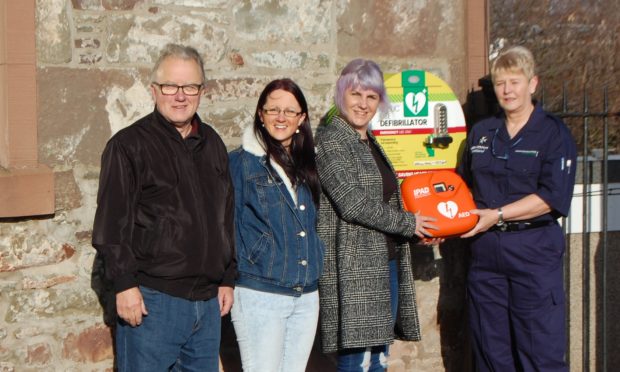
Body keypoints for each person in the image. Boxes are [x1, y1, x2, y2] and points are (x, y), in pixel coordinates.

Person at [92, 43, 236, 372]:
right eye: (170, 86)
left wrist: (228, 276)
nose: (180, 96)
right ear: (154, 90)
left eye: (190, 87)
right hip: (153, 302)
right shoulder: (128, 146)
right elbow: (111, 225)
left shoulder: (212, 143)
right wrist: (125, 285)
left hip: (207, 303)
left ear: (202, 91)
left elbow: (225, 216)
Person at [315, 58, 439, 372]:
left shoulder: (369, 142)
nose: (363, 104)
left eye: (371, 97)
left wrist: (417, 230)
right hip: (353, 269)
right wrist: (409, 223)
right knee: (357, 364)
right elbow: (353, 203)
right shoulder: (331, 141)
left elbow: (388, 202)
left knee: (379, 362)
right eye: (356, 94)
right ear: (341, 93)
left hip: (385, 265)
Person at [458, 46, 577, 371]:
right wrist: (444, 224)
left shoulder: (553, 133)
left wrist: (497, 215)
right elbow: (462, 189)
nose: (507, 90)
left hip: (533, 254)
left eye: (515, 81)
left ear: (532, 83)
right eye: (501, 83)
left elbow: (551, 198)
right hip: (486, 256)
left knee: (540, 353)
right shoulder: (482, 133)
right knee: (491, 354)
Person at [228, 78, 323, 372]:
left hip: (306, 294)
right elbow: (227, 225)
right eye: (273, 110)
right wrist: (225, 280)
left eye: (290, 111)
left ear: (301, 119)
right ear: (261, 114)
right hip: (260, 292)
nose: (281, 117)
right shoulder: (242, 163)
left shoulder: (309, 163)